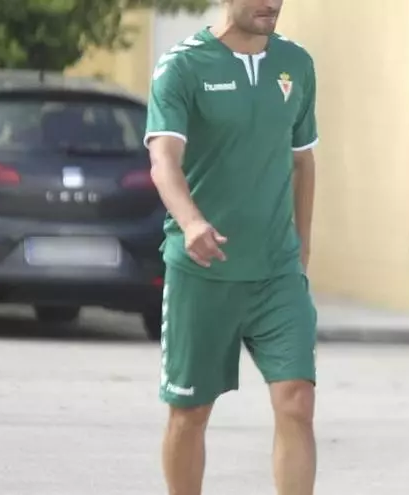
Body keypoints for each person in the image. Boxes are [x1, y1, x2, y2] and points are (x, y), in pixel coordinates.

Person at [143, 0, 319, 493]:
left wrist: (302, 250)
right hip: (203, 272)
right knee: (190, 413)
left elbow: (303, 162)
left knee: (297, 402)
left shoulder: (296, 63)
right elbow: (163, 161)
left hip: (277, 273)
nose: (272, 2)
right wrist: (192, 222)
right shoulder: (181, 66)